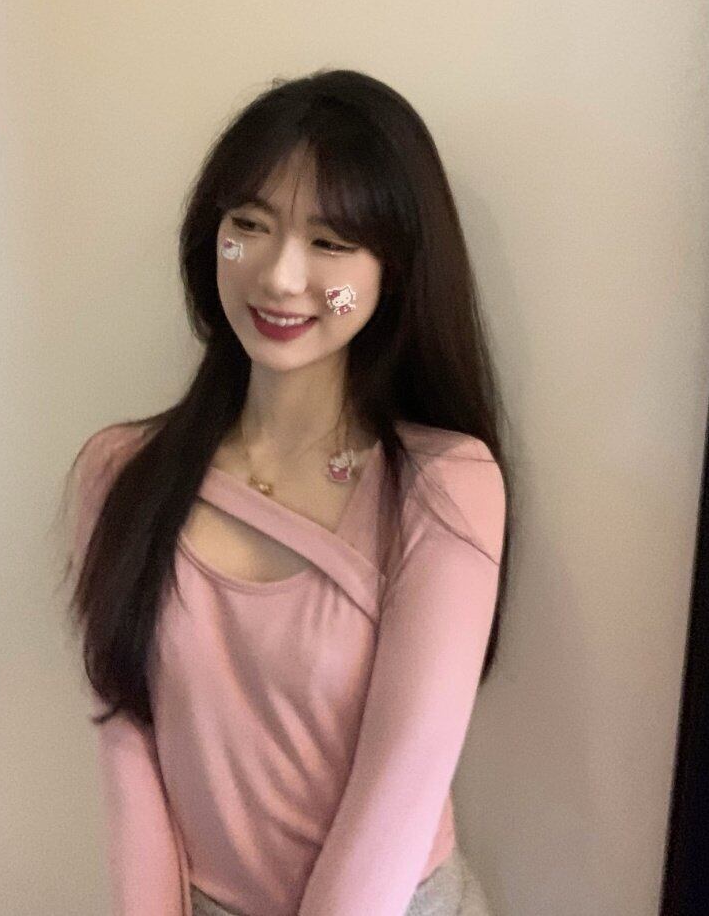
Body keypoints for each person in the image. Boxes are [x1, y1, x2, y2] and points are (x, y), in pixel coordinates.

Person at [63, 68, 513, 916]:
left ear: (391, 270)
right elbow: (127, 750)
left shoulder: (446, 486)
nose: (277, 275)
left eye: (331, 242)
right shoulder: (119, 475)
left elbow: (401, 789)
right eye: (249, 226)